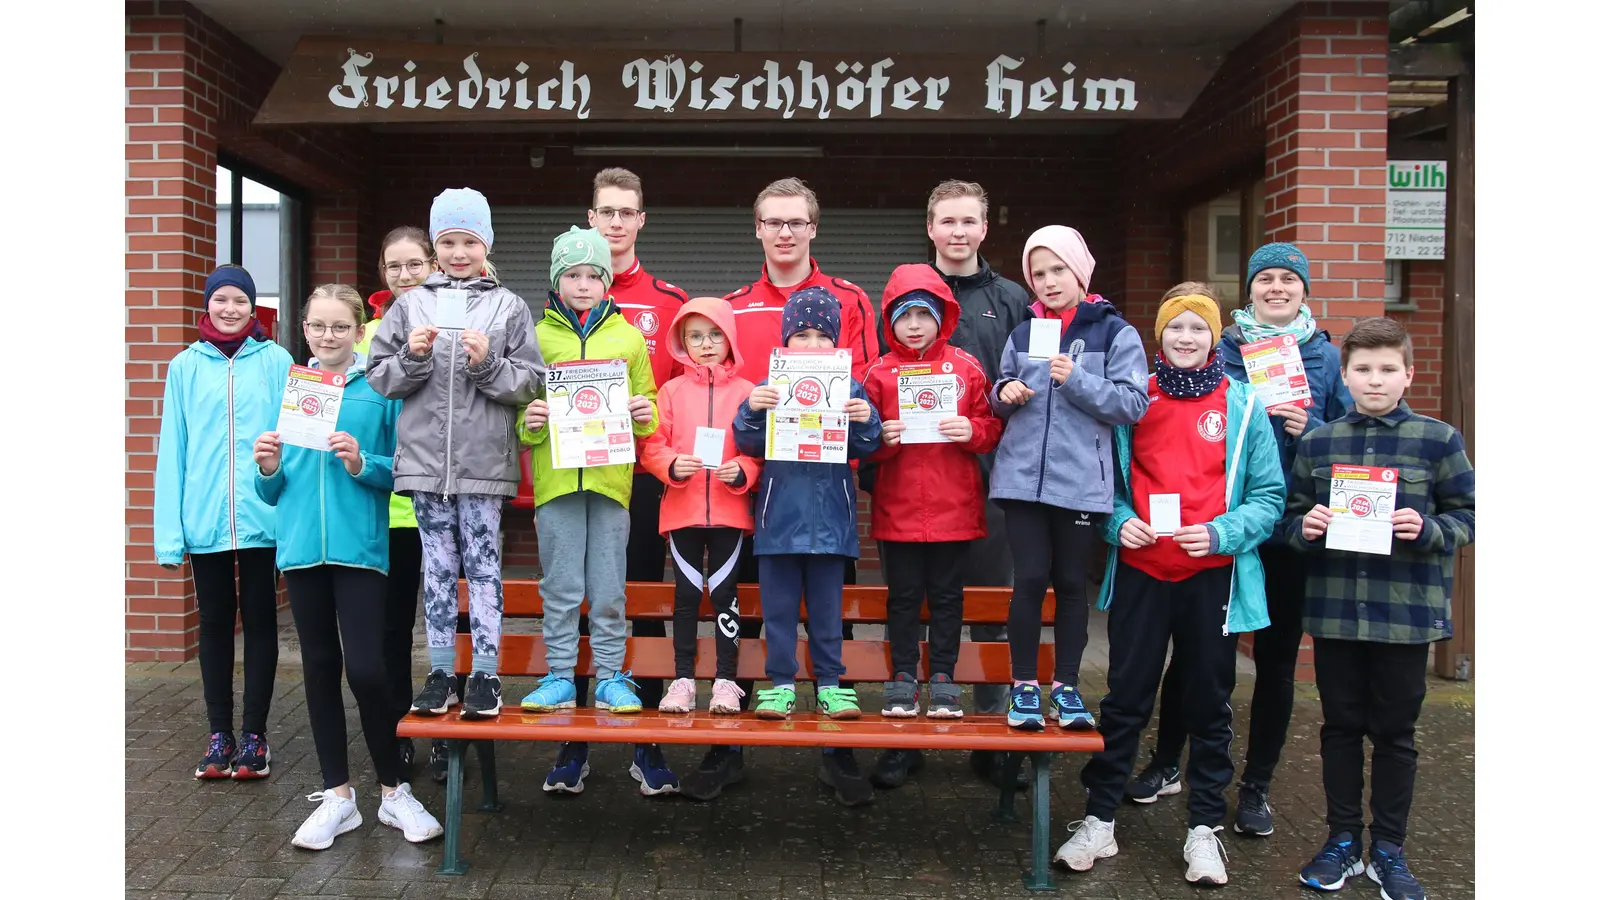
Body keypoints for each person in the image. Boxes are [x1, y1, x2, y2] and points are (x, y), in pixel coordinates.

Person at [1050, 290, 1284, 886]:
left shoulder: (1245, 404)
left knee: (1209, 703)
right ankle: (1099, 820)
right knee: (1125, 699)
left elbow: (1270, 498)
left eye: (1197, 329)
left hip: (1212, 577)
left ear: (1213, 339)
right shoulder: (1135, 398)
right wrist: (1115, 521)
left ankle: (1204, 828)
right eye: (1175, 327)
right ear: (1160, 336)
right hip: (1143, 573)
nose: (1185, 337)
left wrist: (1222, 532)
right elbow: (1102, 481)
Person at [1134, 246, 1353, 837]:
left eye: (1289, 279)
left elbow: (1352, 440)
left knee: (1277, 661)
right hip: (1214, 533)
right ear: (1248, 291)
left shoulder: (1326, 358)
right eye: (1265, 279)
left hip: (1292, 530)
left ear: (1304, 290)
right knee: (1199, 655)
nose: (1277, 288)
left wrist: (1317, 432)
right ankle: (1166, 762)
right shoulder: (1220, 348)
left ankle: (1255, 784)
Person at [680, 177, 881, 801]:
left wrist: (865, 421)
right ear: (758, 228)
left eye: (797, 221)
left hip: (829, 502)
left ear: (813, 226)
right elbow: (712, 396)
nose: (785, 231)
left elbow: (868, 396)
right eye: (774, 221)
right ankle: (729, 747)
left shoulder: (848, 299)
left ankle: (837, 753)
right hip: (755, 502)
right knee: (748, 620)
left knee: (827, 620)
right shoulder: (734, 304)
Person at [252, 284, 444, 851]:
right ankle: (339, 797)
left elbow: (403, 465)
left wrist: (364, 463)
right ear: (304, 330)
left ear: (361, 330)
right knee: (317, 670)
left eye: (340, 326)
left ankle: (393, 791)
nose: (328, 336)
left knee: (366, 670)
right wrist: (266, 469)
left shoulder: (379, 389)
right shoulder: (293, 389)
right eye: (317, 326)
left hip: (361, 550)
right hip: (301, 551)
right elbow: (272, 488)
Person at [1288, 317, 1473, 900]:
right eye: (1363, 370)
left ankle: (1388, 848)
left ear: (1408, 374)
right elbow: (1288, 517)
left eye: (1387, 369)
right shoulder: (1319, 442)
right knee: (1340, 727)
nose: (1375, 380)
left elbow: (1469, 515)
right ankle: (1342, 839)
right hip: (1338, 610)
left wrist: (1429, 527)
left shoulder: (1438, 440)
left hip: (1405, 615)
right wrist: (1306, 526)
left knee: (1395, 733)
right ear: (1344, 375)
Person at [368, 187, 545, 721]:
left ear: (486, 244)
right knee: (438, 570)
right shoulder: (411, 304)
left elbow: (533, 382)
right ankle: (442, 670)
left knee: (485, 568)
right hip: (425, 465)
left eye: (469, 241)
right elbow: (381, 377)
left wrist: (489, 363)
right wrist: (412, 356)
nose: (459, 253)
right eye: (448, 241)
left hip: (483, 464)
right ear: (435, 245)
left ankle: (486, 674)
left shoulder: (509, 306)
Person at [515, 226, 664, 795]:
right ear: (556, 280)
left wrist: (640, 409)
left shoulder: (628, 338)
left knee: (608, 586)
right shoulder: (535, 338)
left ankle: (610, 676)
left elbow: (649, 415)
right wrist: (528, 426)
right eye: (572, 275)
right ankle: (557, 674)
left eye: (593, 275)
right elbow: (520, 411)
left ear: (607, 281)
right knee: (559, 586)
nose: (583, 284)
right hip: (555, 484)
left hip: (609, 481)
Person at [988, 225, 1149, 731]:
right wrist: (1005, 392)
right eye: (1038, 273)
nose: (1048, 282)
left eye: (1058, 269)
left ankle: (1068, 687)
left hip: (1080, 481)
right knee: (1030, 579)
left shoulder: (1113, 331)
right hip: (1020, 480)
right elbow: (999, 392)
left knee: (1070, 585)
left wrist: (1076, 379)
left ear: (1079, 270)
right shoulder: (1023, 331)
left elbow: (1132, 403)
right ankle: (1023, 689)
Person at [733, 287, 883, 806]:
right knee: (776, 613)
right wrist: (752, 411)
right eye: (802, 335)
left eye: (823, 335)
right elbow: (747, 441)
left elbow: (869, 447)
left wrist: (866, 419)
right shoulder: (768, 385)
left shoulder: (851, 386)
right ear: (786, 341)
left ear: (836, 341)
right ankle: (778, 683)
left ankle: (830, 684)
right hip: (777, 524)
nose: (814, 344)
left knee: (827, 613)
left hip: (832, 525)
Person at [565, 168, 687, 790]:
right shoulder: (562, 305)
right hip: (579, 477)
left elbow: (687, 397)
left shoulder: (668, 302)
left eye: (626, 212)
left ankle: (647, 740)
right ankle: (575, 739)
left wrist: (652, 413)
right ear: (590, 218)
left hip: (641, 480)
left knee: (639, 602)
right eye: (605, 211)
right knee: (582, 603)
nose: (615, 221)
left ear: (642, 220)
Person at [860, 265, 1001, 788]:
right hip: (898, 510)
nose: (915, 325)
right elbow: (859, 440)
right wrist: (882, 438)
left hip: (953, 508)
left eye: (925, 314)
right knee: (901, 599)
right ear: (889, 323)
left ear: (943, 317)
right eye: (905, 316)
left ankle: (942, 676)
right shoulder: (877, 373)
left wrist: (972, 429)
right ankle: (902, 678)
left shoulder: (964, 368)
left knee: (947, 599)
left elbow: (991, 426)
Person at [155, 264, 293, 781]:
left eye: (240, 300)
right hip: (205, 519)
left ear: (253, 307)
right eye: (221, 300)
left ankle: (255, 735)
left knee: (260, 621)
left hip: (264, 515)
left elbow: (295, 438)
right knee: (214, 624)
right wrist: (171, 537)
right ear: (207, 305)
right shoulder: (184, 368)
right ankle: (219, 735)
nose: (230, 309)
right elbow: (174, 450)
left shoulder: (276, 360)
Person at [923, 179, 1033, 788]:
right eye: (947, 222)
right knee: (917, 608)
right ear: (931, 228)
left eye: (969, 221)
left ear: (984, 228)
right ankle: (905, 732)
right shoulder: (912, 292)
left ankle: (993, 733)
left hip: (994, 478)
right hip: (918, 480)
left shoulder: (1012, 299)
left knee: (993, 607)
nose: (958, 232)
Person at [640, 297, 760, 717]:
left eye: (714, 335)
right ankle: (683, 681)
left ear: (730, 340)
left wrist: (743, 470)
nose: (706, 344)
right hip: (682, 512)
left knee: (726, 595)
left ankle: (726, 682)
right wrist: (671, 464)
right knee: (687, 595)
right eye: (695, 336)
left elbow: (761, 451)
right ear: (681, 342)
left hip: (730, 512)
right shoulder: (670, 390)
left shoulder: (749, 392)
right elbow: (651, 447)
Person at [354, 225, 437, 780]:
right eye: (393, 266)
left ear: (432, 264)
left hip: (442, 502)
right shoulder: (366, 337)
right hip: (386, 509)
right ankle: (397, 735)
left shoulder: (456, 319)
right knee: (389, 632)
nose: (404, 276)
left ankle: (450, 739)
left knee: (445, 628)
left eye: (414, 264)